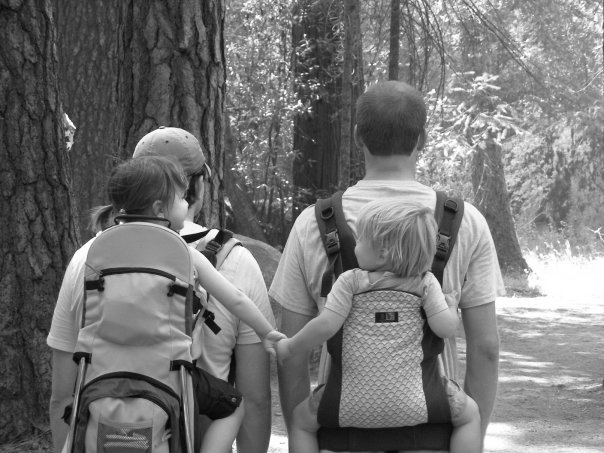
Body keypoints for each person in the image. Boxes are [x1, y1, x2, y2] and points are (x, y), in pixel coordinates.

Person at [269, 80, 504, 452]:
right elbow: (485, 348)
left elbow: (293, 355)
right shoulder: (465, 222)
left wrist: (310, 431)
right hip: (434, 432)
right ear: (422, 138)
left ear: (358, 137)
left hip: (339, 434)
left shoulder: (312, 223)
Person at [48, 156, 284, 453]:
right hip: (168, 375)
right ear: (160, 208)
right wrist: (266, 332)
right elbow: (234, 298)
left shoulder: (94, 254)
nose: (188, 204)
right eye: (182, 198)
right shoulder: (183, 254)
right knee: (234, 406)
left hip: (101, 375)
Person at [275, 200, 481, 453]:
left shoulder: (349, 282)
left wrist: (289, 347)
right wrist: (451, 307)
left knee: (300, 422)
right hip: (420, 401)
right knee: (470, 415)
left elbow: (325, 326)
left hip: (346, 402)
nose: (356, 244)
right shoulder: (425, 284)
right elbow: (445, 329)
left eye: (360, 239)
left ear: (382, 253)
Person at [133, 126, 276, 453]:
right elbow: (255, 400)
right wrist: (269, 333)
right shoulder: (233, 259)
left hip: (112, 430)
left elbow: (63, 396)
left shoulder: (91, 257)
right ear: (197, 186)